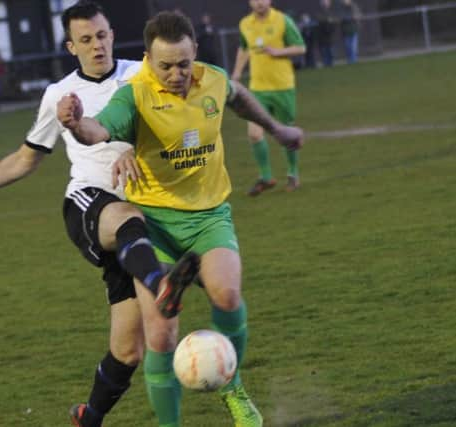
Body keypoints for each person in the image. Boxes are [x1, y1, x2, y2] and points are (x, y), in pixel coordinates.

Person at [0, 3, 198, 427]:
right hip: (89, 205)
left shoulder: (141, 74)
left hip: (140, 220)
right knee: (127, 220)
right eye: (86, 40)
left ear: (111, 34)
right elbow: (24, 160)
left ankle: (88, 418)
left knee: (129, 350)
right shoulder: (60, 95)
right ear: (72, 46)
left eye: (102, 35)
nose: (97, 45)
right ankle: (161, 283)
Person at [57, 11, 304, 427]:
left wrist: (278, 130)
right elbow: (100, 130)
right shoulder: (134, 95)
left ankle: (233, 387)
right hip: (154, 223)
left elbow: (238, 96)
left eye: (184, 64)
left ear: (196, 55)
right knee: (161, 334)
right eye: (165, 65)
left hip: (209, 217)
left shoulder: (214, 79)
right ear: (149, 60)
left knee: (227, 295)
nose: (176, 73)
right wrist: (76, 122)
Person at [231, 0, 306, 195]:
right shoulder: (245, 24)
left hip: (283, 87)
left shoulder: (283, 20)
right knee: (254, 133)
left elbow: (300, 47)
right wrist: (237, 74)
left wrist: (279, 52)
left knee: (286, 132)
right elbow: (244, 48)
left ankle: (292, 173)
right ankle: (266, 177)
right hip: (257, 89)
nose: (259, 3)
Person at [317, 0, 336, 67]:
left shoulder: (332, 12)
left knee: (331, 54)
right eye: (324, 2)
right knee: (324, 54)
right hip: (322, 38)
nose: (326, 3)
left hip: (330, 37)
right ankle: (326, 66)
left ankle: (331, 66)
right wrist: (328, 21)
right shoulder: (319, 12)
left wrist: (330, 22)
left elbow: (334, 23)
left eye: (327, 2)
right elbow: (320, 22)